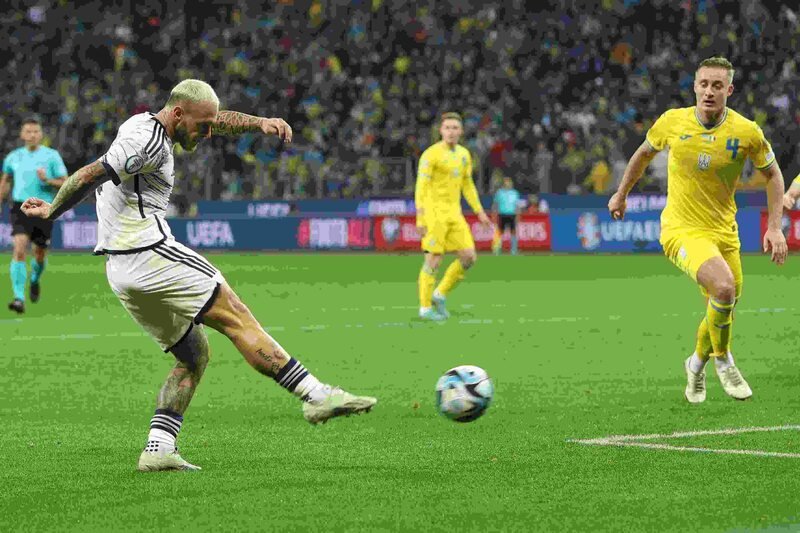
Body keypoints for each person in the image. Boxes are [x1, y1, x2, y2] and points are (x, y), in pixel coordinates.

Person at [21, 80, 377, 472]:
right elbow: (91, 175)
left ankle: (159, 447)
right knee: (236, 314)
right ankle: (316, 394)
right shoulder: (148, 143)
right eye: (202, 126)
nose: (208, 134)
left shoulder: (146, 124)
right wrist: (52, 211)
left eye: (209, 125)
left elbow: (212, 119)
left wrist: (259, 123)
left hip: (121, 272)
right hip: (150, 253)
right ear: (177, 114)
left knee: (193, 355)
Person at [608, 56, 787, 404]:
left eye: (717, 85)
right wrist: (621, 193)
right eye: (704, 84)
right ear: (694, 86)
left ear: (729, 90)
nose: (709, 91)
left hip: (724, 232)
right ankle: (724, 361)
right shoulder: (672, 122)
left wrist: (775, 227)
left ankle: (696, 363)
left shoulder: (746, 131)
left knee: (725, 306)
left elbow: (773, 175)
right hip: (681, 229)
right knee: (723, 288)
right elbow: (643, 155)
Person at [415, 112, 492, 321]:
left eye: (455, 128)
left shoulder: (464, 155)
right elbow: (421, 187)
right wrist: (420, 217)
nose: (451, 131)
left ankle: (439, 295)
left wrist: (479, 212)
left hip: (454, 214)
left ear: (461, 131)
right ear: (440, 131)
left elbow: (467, 185)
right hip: (434, 215)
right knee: (434, 259)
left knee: (469, 257)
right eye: (447, 127)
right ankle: (424, 308)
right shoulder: (430, 155)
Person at [0, 118, 68, 313]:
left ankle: (35, 279)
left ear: (41, 134)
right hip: (20, 207)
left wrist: (47, 180)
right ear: (22, 135)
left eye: (36, 131)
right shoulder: (13, 157)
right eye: (28, 132)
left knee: (39, 254)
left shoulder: (52, 156)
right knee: (19, 249)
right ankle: (19, 298)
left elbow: (66, 182)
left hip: (44, 208)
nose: (32, 135)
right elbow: (5, 180)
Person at [491, 176, 521, 255]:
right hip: (502, 214)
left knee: (513, 232)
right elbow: (495, 204)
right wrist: (494, 214)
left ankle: (514, 250)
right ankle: (496, 249)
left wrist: (518, 215)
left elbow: (517, 205)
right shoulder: (499, 193)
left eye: (509, 182)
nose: (508, 184)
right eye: (506, 182)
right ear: (504, 184)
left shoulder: (515, 193)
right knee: (499, 232)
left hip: (512, 214)